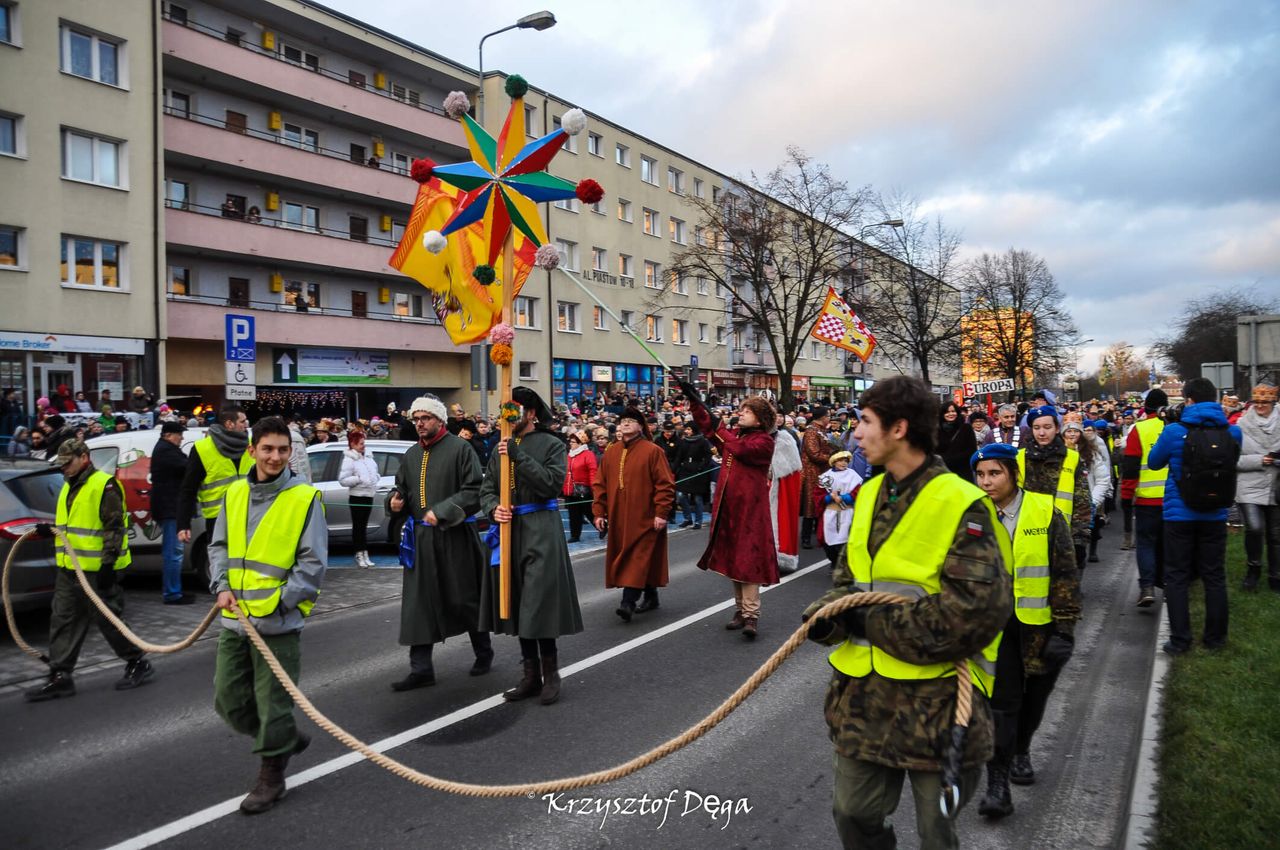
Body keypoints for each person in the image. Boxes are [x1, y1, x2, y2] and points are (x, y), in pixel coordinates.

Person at [802, 376, 1012, 848]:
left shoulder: (963, 504)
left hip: (935, 705)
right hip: (866, 701)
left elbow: (976, 613)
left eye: (865, 422)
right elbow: (850, 581)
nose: (855, 433)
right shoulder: (872, 493)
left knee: (937, 832)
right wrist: (827, 614)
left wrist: (863, 619)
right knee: (852, 815)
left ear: (899, 429)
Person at [209, 415, 326, 814]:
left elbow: (312, 564)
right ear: (252, 451)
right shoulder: (234, 494)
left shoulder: (304, 498)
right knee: (228, 699)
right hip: (235, 619)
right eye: (267, 449)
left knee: (273, 703)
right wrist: (221, 585)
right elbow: (219, 546)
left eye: (282, 449)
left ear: (290, 452)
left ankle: (271, 776)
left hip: (277, 622)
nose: (275, 456)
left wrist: (279, 602)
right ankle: (285, 738)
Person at [971, 444, 1080, 818]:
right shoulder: (972, 515)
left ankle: (1021, 749)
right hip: (993, 631)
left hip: (1039, 628)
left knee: (1034, 699)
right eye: (981, 475)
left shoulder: (1044, 510)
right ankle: (997, 783)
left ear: (1013, 474)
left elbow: (1065, 571)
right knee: (1001, 704)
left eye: (994, 473)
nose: (986, 482)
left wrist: (1064, 629)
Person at [25, 439, 154, 702]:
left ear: (84, 457)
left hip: (97, 571)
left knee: (108, 621)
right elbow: (72, 524)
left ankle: (137, 662)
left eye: (68, 463)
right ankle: (61, 676)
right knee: (63, 620)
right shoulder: (68, 485)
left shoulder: (103, 485)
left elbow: (114, 527)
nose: (64, 469)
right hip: (70, 569)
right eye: (61, 465)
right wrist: (48, 529)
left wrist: (108, 565)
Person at [480, 386, 583, 705]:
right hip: (510, 531)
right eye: (504, 411)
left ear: (531, 413)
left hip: (540, 528)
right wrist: (492, 507)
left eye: (513, 411)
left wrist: (517, 454)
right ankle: (530, 675)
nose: (507, 417)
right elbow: (487, 489)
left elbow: (551, 484)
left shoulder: (552, 444)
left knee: (538, 602)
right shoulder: (499, 447)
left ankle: (551, 673)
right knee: (518, 600)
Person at [386, 396, 492, 688]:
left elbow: (474, 490)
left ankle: (483, 652)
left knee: (465, 598)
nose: (420, 423)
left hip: (456, 537)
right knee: (419, 604)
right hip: (421, 540)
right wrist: (394, 502)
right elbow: (402, 489)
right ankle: (421, 669)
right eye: (416, 419)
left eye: (425, 418)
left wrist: (443, 511)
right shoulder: (410, 454)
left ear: (440, 420)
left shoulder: (461, 449)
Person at [1148, 377, 1242, 655]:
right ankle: (1215, 639)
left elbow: (1154, 463)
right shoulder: (1233, 432)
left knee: (1176, 576)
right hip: (1215, 514)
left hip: (1179, 515)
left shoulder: (1175, 432)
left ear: (1188, 400)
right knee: (1214, 575)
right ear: (1214, 399)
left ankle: (1180, 640)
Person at [678, 380, 777, 639]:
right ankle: (740, 611)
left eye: (747, 411)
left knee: (749, 563)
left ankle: (751, 615)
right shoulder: (735, 438)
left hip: (751, 513)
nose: (741, 413)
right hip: (730, 511)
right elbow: (710, 429)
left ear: (759, 420)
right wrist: (696, 403)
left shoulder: (763, 441)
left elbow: (737, 447)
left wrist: (719, 426)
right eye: (741, 410)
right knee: (734, 561)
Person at [592, 408, 675, 621]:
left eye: (631, 421)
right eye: (623, 421)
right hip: (619, 517)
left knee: (637, 557)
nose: (626, 424)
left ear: (641, 426)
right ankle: (651, 595)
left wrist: (661, 512)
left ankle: (627, 602)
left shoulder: (653, 451)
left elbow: (665, 484)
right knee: (635, 557)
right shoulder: (611, 451)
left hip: (645, 516)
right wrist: (599, 511)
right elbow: (600, 484)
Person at [1018, 406, 1091, 562]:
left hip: (1064, 538)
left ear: (1057, 428)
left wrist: (1079, 540)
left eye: (1047, 427)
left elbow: (1082, 500)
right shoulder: (1019, 459)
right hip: (1029, 538)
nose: (1042, 433)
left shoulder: (1072, 458)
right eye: (1036, 428)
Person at [178, 405, 252, 552]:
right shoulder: (202, 448)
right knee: (221, 569)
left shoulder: (251, 445)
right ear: (229, 424)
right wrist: (183, 524)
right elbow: (188, 488)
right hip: (218, 521)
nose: (246, 425)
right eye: (242, 421)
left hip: (250, 517)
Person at [1121, 389, 1168, 607]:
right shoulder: (1175, 428)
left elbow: (1130, 467)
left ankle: (1147, 587)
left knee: (1146, 544)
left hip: (1146, 499)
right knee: (1170, 544)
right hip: (1173, 499)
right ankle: (1169, 585)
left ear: (1145, 408)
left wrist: (1126, 496)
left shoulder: (1138, 429)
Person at [1236, 384, 1280, 591]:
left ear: (1273, 402)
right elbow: (1232, 459)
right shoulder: (1241, 425)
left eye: (1265, 402)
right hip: (1249, 485)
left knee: (1275, 534)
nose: (1260, 406)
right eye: (1257, 402)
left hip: (1276, 486)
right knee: (1254, 528)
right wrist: (1259, 460)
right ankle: (1253, 570)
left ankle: (1275, 575)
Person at [152, 421, 195, 604]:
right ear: (169, 435)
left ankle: (174, 591)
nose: (182, 437)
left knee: (174, 551)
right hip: (170, 508)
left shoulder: (165, 449)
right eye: (179, 434)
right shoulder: (166, 451)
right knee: (173, 553)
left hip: (169, 507)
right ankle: (172, 593)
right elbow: (188, 467)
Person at [340, 428, 380, 568]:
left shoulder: (368, 457)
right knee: (358, 527)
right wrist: (358, 479)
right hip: (357, 497)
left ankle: (365, 553)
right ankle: (359, 554)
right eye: (360, 443)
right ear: (353, 444)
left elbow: (374, 471)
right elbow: (343, 479)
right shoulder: (349, 459)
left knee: (363, 526)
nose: (363, 445)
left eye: (364, 442)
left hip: (369, 495)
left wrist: (376, 477)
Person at [817, 450, 863, 570]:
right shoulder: (825, 477)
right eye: (841, 460)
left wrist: (844, 498)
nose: (844, 463)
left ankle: (843, 565)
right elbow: (817, 496)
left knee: (845, 540)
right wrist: (828, 497)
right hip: (830, 513)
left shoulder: (853, 475)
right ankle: (834, 560)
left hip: (847, 512)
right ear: (834, 462)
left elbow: (858, 492)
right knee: (828, 540)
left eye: (846, 461)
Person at [770, 424, 803, 575]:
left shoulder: (784, 440)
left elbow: (789, 472)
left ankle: (778, 556)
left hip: (774, 489)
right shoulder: (748, 438)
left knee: (778, 520)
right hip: (757, 490)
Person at [800, 406, 835, 549]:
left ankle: (821, 533)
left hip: (823, 472)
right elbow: (814, 454)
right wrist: (832, 457)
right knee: (810, 504)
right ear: (822, 417)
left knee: (821, 503)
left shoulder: (821, 431)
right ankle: (805, 537)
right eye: (828, 415)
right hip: (811, 473)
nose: (829, 418)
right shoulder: (811, 431)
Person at [674, 422, 712, 529]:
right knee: (681, 495)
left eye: (689, 429)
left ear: (694, 430)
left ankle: (698, 521)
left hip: (698, 472)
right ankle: (688, 518)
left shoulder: (703, 442)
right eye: (686, 429)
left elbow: (708, 456)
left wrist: (701, 467)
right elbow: (679, 457)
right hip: (685, 470)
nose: (686, 431)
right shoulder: (684, 442)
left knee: (697, 498)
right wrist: (674, 469)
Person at [563, 430, 597, 543]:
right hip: (570, 490)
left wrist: (594, 488)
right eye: (570, 442)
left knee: (589, 512)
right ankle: (575, 535)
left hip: (583, 490)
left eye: (573, 442)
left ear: (580, 443)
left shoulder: (588, 455)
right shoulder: (569, 455)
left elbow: (593, 472)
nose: (570, 444)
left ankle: (602, 527)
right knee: (573, 514)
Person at [939, 400, 978, 481]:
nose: (951, 414)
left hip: (963, 472)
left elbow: (972, 450)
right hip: (943, 472)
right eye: (947, 412)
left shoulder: (966, 428)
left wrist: (951, 459)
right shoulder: (937, 429)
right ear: (942, 414)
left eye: (953, 411)